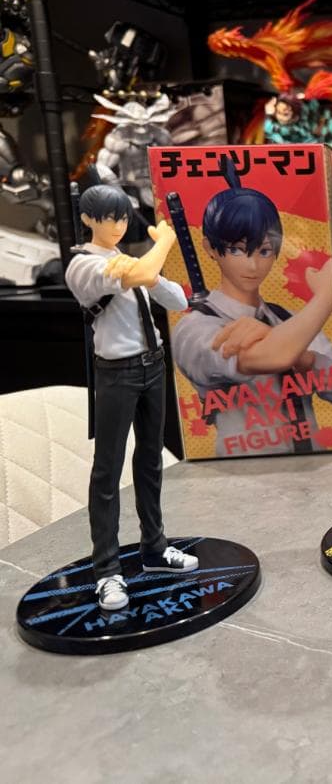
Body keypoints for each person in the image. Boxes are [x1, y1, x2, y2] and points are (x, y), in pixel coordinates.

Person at [65, 184, 197, 612]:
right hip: (117, 373)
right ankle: (106, 570)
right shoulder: (84, 265)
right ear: (88, 219)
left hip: (152, 366)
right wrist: (166, 243)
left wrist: (152, 268)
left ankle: (154, 547)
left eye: (123, 217)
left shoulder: (129, 261)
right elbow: (138, 275)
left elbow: (177, 299)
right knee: (108, 470)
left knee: (151, 460)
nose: (118, 225)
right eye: (109, 218)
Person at [171, 159, 332, 456]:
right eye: (237, 250)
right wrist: (326, 297)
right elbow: (271, 356)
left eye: (264, 251)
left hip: (313, 464)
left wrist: (304, 358)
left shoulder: (287, 319)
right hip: (243, 469)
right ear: (211, 249)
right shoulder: (194, 329)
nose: (252, 265)